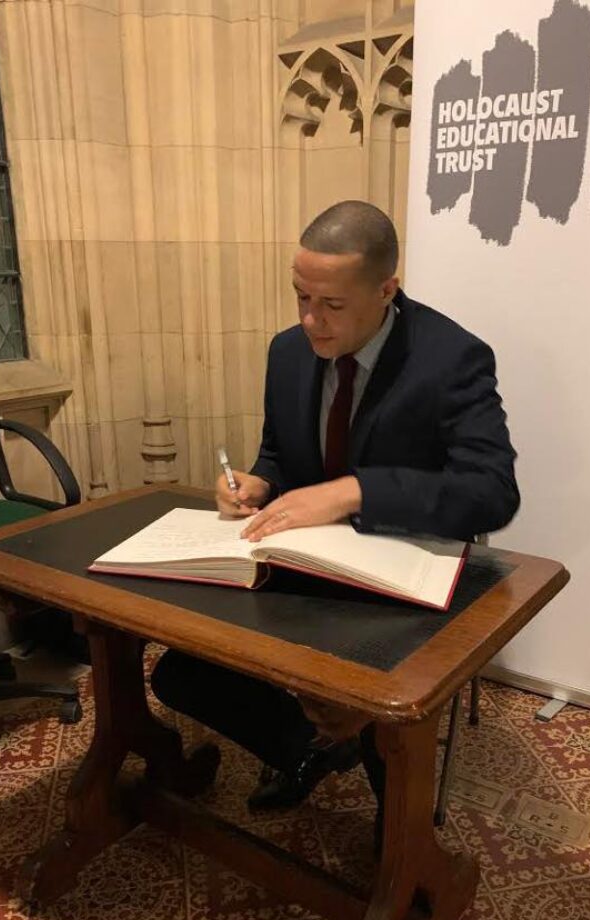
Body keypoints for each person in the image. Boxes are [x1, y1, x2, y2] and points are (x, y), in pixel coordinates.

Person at [150, 200, 519, 826]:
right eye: (300, 298)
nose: (311, 322)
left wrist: (355, 491)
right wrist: (256, 482)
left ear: (386, 290)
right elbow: (281, 452)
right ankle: (311, 748)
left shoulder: (451, 358)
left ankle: (400, 843)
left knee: (379, 701)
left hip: (404, 569)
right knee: (182, 674)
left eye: (333, 306)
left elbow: (492, 491)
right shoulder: (288, 352)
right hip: (309, 556)